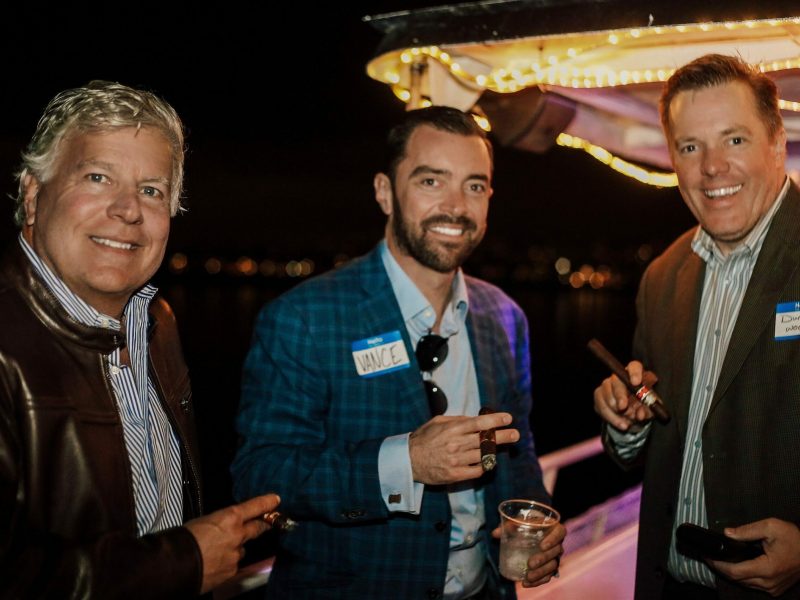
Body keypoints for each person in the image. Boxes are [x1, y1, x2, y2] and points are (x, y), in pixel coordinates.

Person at [232, 106, 564, 599]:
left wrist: (536, 522)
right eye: (432, 181)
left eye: (475, 186)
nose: (456, 206)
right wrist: (404, 462)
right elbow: (260, 475)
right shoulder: (305, 317)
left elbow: (518, 453)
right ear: (385, 192)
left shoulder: (504, 318)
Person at [0, 80, 279, 598]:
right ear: (33, 196)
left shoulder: (156, 323)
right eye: (98, 177)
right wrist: (186, 562)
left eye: (151, 190)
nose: (129, 209)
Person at [593, 54, 800, 600]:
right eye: (690, 147)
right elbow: (644, 443)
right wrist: (626, 423)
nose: (711, 167)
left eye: (734, 140)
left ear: (777, 142)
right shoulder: (662, 276)